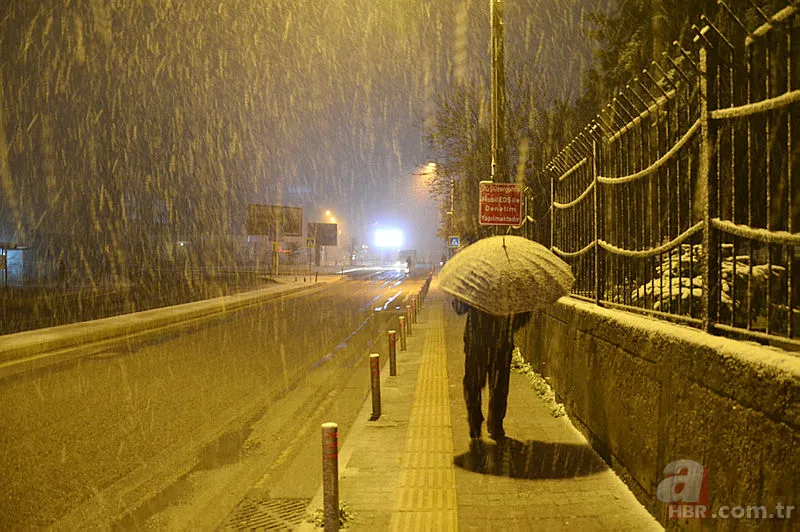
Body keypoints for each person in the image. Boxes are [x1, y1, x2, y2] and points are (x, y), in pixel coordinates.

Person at [452, 298, 530, 441]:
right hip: (499, 342)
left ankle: (477, 422)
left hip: (477, 342)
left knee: (474, 385)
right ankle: (494, 423)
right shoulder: (510, 285)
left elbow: (459, 308)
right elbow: (524, 313)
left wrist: (461, 297)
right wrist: (509, 326)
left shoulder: (475, 281)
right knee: (497, 385)